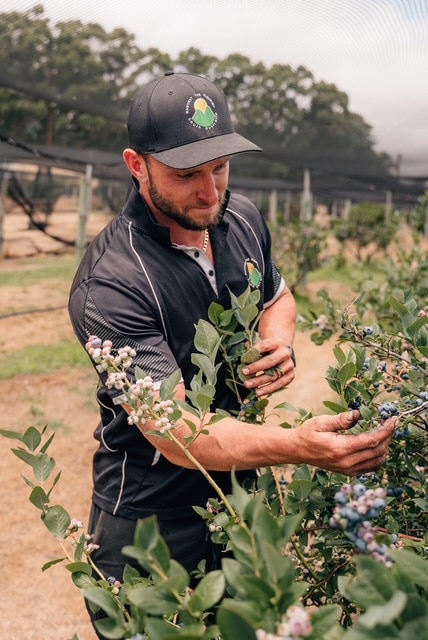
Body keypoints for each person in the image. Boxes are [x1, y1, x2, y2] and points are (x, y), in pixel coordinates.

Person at [68, 72, 396, 637]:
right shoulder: (112, 284)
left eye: (219, 167)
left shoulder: (239, 217)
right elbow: (178, 432)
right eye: (187, 174)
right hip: (152, 520)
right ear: (136, 165)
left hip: (239, 501)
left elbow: (279, 294)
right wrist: (298, 447)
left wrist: (280, 337)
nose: (210, 190)